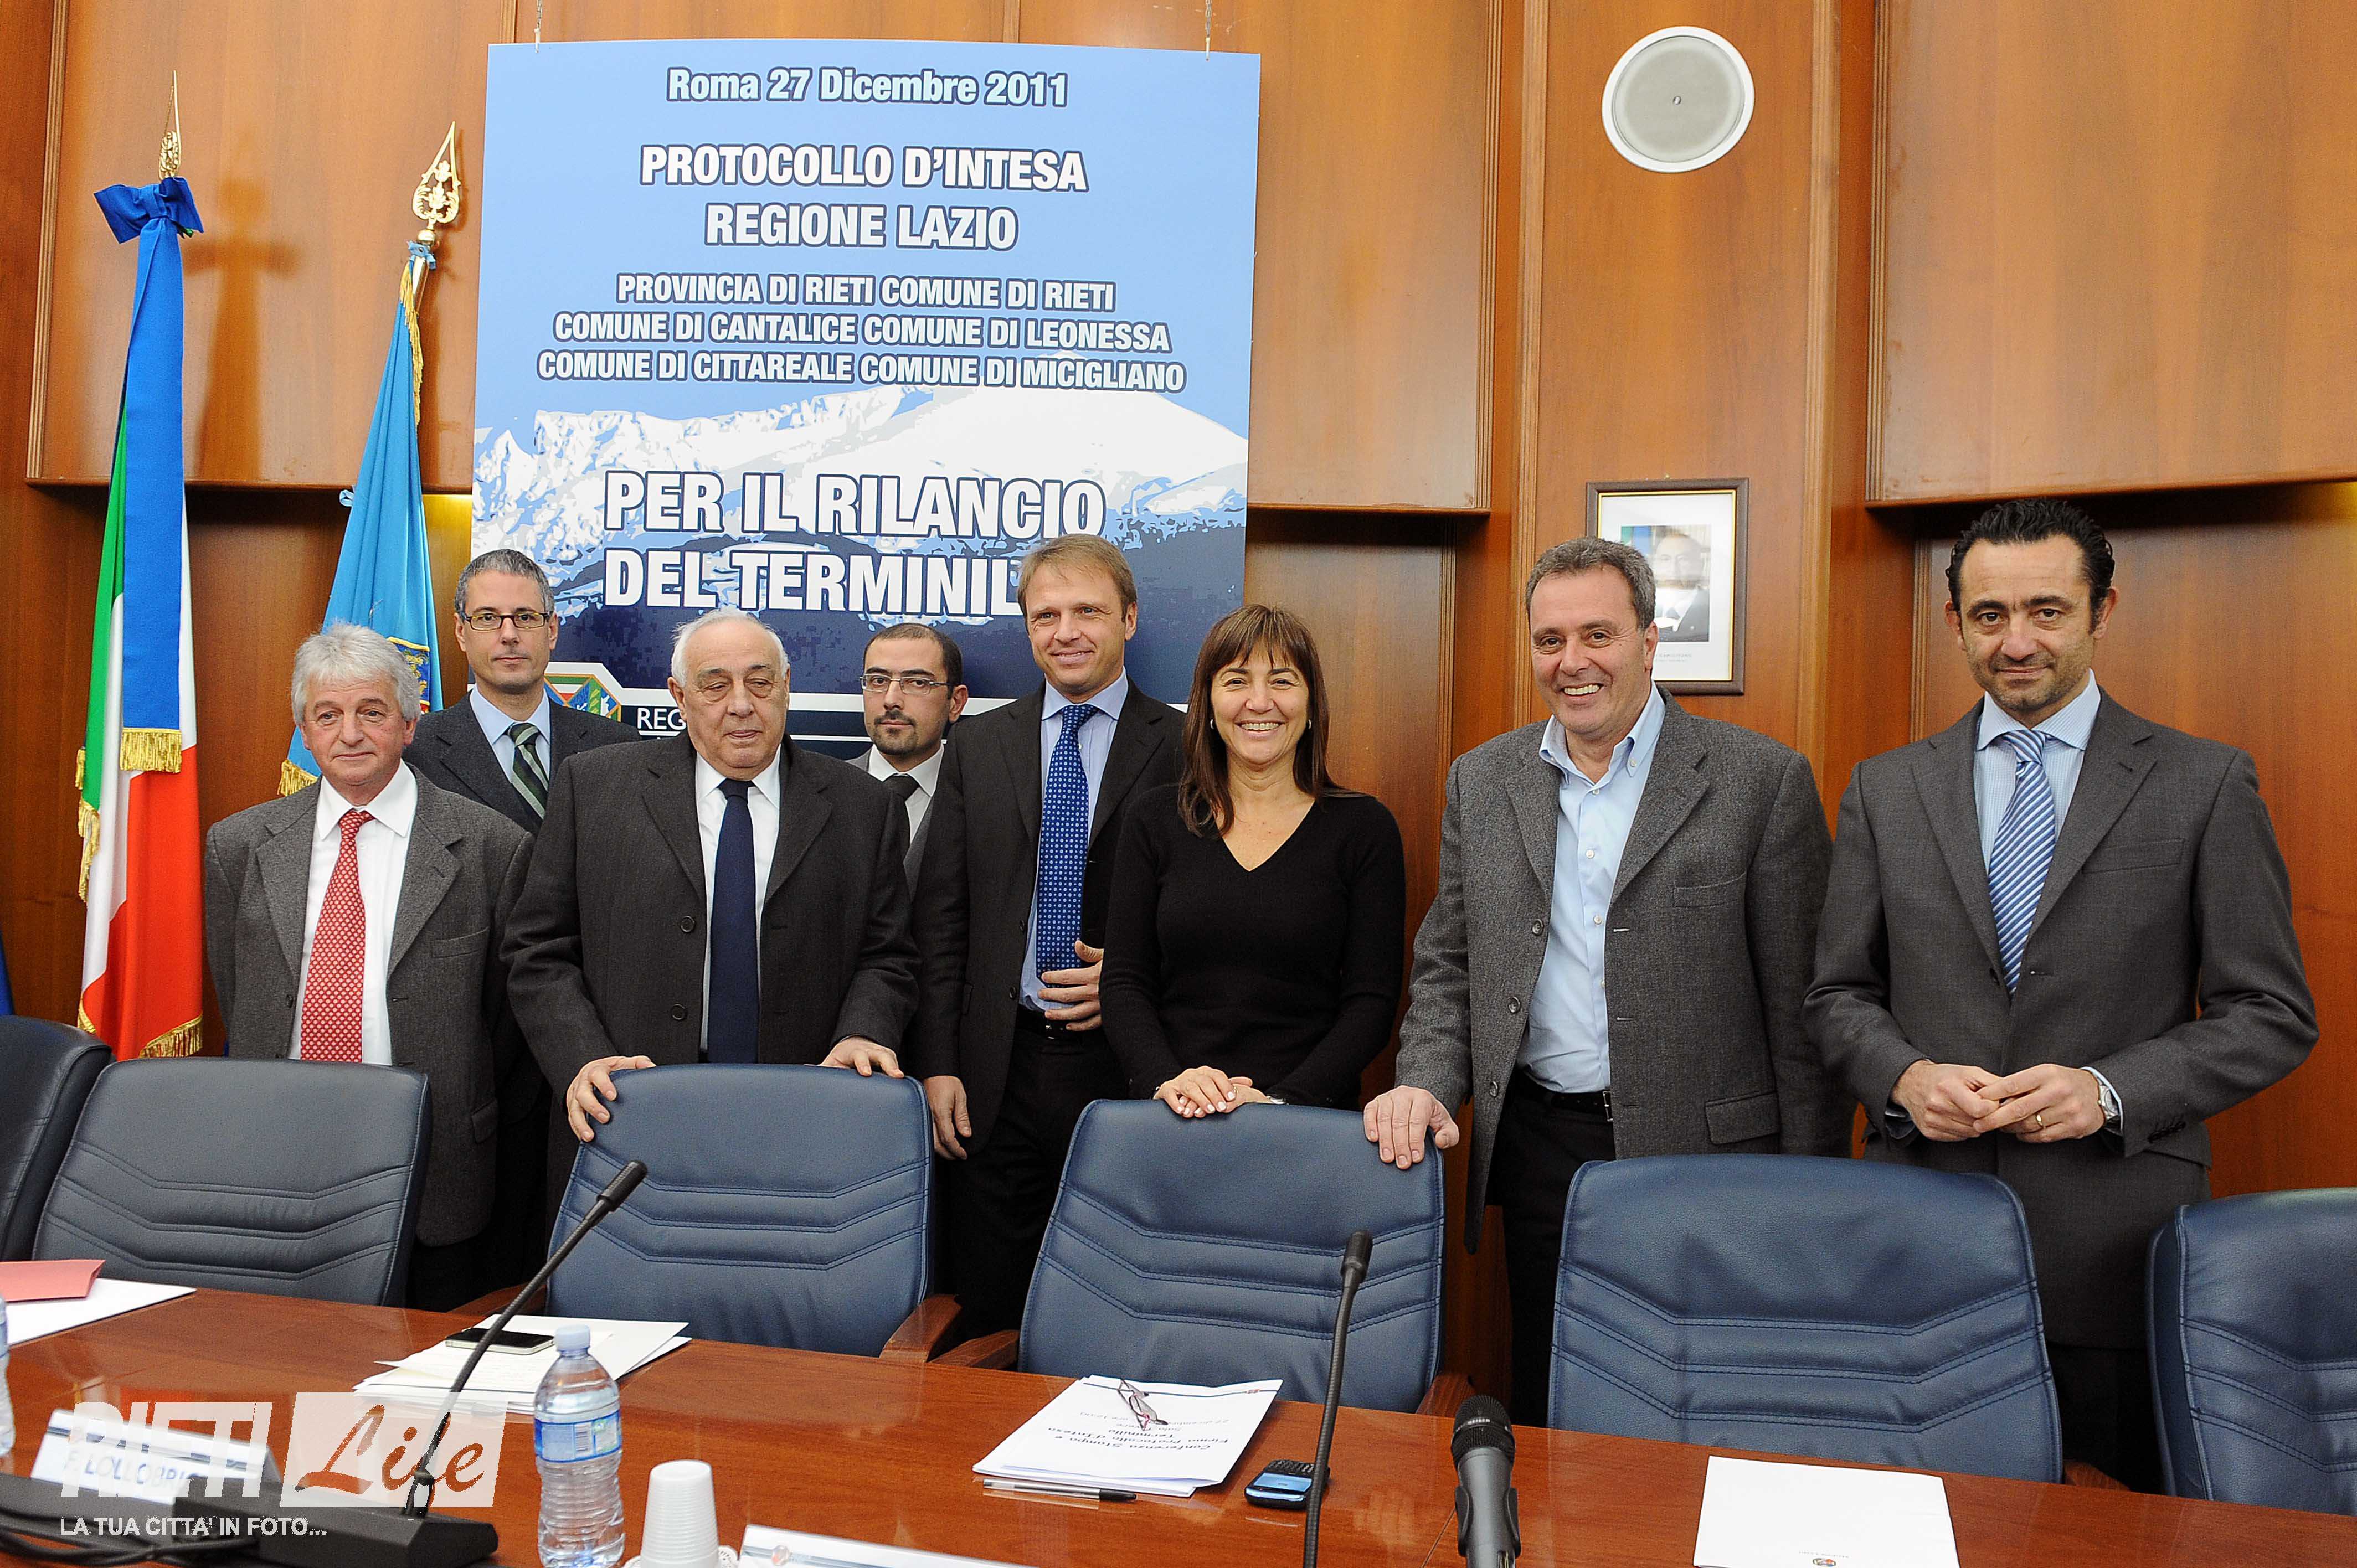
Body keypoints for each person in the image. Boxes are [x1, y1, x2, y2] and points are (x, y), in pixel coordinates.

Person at [1807, 498, 2315, 1490]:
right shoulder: (1885, 788)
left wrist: (2109, 1090)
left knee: (2109, 1533)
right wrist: (1903, 1077)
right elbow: (1837, 994)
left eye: (2047, 610)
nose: (2017, 641)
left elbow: (2272, 1014)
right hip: (1920, 1241)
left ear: (2102, 611)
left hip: (2115, 1250)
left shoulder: (2204, 785)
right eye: (1990, 615)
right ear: (1954, 622)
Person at [1363, 537, 1846, 1424]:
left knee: (1704, 1405)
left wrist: (1812, 1192)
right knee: (1558, 1403)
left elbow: (1801, 1009)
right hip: (1544, 1147)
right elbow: (1450, 965)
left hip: (1712, 1162)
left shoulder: (1760, 780)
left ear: (1650, 641)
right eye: (1550, 640)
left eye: (1598, 635)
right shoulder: (1484, 781)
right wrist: (1424, 1079)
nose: (1572, 662)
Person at [504, 607, 919, 1209]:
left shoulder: (864, 806)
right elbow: (537, 950)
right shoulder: (594, 788)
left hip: (804, 1116)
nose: (741, 705)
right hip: (627, 1113)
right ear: (679, 696)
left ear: (786, 687)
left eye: (760, 682)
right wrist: (583, 1058)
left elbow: (888, 955)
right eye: (715, 685)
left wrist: (863, 1031)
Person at [203, 624, 532, 1309]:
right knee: (286, 1350)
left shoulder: (491, 846)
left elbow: (505, 1022)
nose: (349, 734)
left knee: (423, 1355)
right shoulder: (240, 845)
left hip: (433, 1158)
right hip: (280, 1152)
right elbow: (242, 993)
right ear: (304, 732)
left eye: (371, 712)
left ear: (409, 725)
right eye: (327, 716)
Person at [909, 534, 1181, 1333]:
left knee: (1119, 1304)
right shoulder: (978, 744)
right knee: (989, 1313)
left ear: (1129, 619)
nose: (1065, 632)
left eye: (1087, 611)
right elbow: (942, 919)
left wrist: (1130, 982)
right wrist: (938, 1064)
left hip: (1125, 1068)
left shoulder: (1184, 746)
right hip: (996, 1075)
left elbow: (1208, 914)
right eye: (1045, 616)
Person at [408, 548, 636, 1285]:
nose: (508, 634)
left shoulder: (619, 749)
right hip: (474, 1044)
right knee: (483, 1266)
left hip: (593, 1039)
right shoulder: (415, 751)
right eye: (488, 618)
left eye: (524, 618)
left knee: (592, 1259)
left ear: (553, 629)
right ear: (460, 632)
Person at [1101, 604, 1404, 1115]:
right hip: (1172, 1116)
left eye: (1282, 681)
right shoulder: (1154, 820)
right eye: (1236, 681)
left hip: (1308, 1122)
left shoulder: (1365, 829)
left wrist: (1281, 1102)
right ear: (1208, 703)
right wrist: (1168, 1081)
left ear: (1311, 703)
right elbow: (1125, 982)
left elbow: (1371, 1003)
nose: (1259, 702)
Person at [858, 622, 969, 888]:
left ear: (955, 703)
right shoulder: (816, 795)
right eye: (878, 681)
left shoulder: (982, 802)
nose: (891, 700)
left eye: (918, 683)